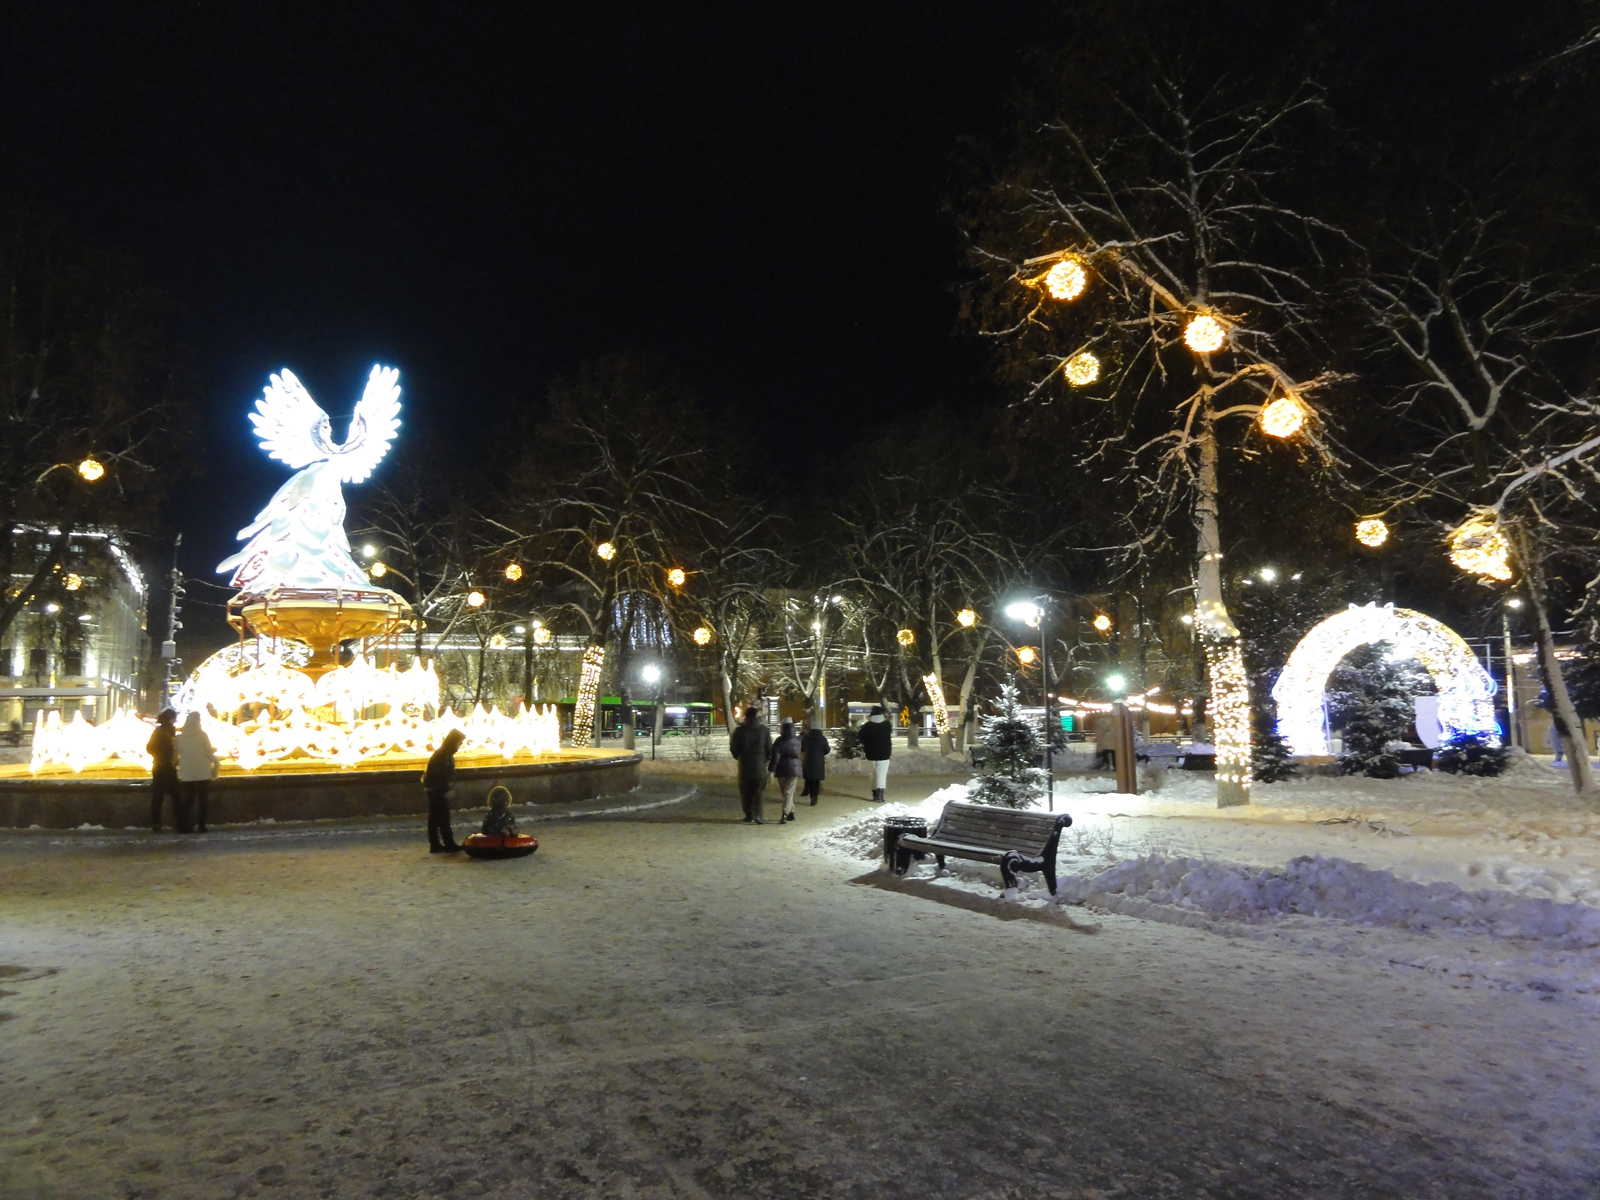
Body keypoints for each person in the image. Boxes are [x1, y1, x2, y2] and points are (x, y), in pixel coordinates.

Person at [175, 711, 219, 834]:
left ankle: (183, 823)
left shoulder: (180, 738)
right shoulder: (202, 735)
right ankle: (202, 825)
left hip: (187, 773)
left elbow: (177, 755)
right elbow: (209, 752)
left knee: (189, 798)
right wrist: (216, 765)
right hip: (202, 772)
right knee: (203, 800)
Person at [422, 729, 466, 853]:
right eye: (459, 742)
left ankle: (437, 844)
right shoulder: (444, 754)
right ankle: (446, 844)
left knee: (436, 817)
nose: (460, 745)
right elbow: (442, 775)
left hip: (434, 788)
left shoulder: (443, 753)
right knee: (442, 817)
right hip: (438, 790)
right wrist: (446, 790)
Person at [728, 706, 773, 824]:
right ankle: (759, 815)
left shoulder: (739, 731)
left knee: (745, 791)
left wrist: (739, 757)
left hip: (745, 765)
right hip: (760, 766)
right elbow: (769, 749)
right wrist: (765, 760)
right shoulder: (764, 731)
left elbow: (734, 748)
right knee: (759, 791)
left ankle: (749, 814)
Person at [147, 708, 185, 832]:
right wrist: (166, 755)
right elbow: (153, 748)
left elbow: (150, 748)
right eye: (174, 718)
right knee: (175, 796)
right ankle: (179, 823)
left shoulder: (159, 731)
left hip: (159, 767)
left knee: (158, 796)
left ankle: (156, 823)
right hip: (167, 767)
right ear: (170, 719)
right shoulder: (167, 731)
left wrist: (159, 756)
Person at [768, 717, 802, 823]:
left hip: (781, 769)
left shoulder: (779, 741)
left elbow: (775, 757)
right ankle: (791, 812)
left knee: (785, 792)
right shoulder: (797, 740)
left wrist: (771, 770)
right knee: (788, 793)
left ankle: (785, 814)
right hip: (794, 769)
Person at [858, 704, 893, 803]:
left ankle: (874, 795)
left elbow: (861, 737)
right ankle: (880, 796)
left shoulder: (867, 726)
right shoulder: (887, 724)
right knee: (881, 774)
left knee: (873, 774)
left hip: (871, 753)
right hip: (885, 753)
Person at [800, 716, 830, 806]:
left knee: (809, 779)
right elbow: (827, 750)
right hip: (818, 762)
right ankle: (814, 797)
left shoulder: (806, 737)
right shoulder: (822, 738)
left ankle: (809, 794)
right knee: (816, 781)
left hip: (808, 761)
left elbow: (802, 748)